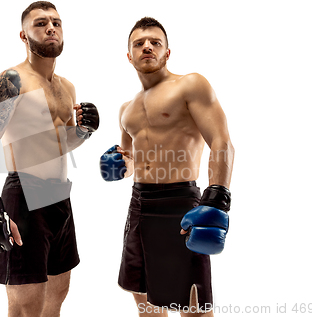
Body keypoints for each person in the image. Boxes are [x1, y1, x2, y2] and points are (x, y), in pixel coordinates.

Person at [0, 1, 99, 317]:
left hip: (59, 196)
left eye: (56, 22)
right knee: (27, 305)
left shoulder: (65, 87)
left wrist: (84, 131)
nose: (51, 27)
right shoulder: (11, 81)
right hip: (24, 196)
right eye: (40, 23)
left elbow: (59, 143)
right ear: (24, 36)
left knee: (56, 297)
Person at [99, 17, 234, 316]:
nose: (147, 46)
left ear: (167, 52)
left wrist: (217, 196)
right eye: (139, 43)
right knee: (144, 299)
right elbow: (131, 160)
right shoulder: (126, 109)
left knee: (193, 304)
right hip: (139, 204)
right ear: (129, 55)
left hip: (180, 203)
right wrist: (120, 165)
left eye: (155, 42)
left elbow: (222, 142)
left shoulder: (190, 84)